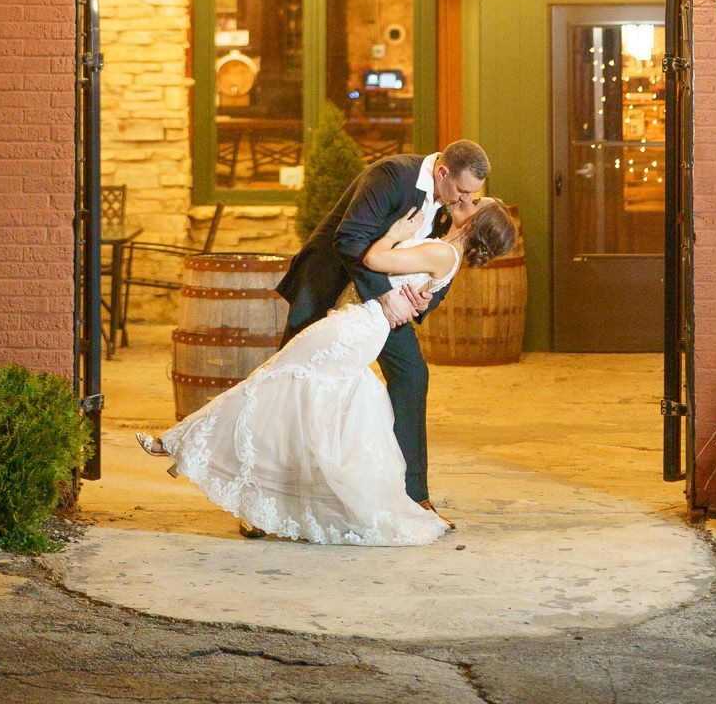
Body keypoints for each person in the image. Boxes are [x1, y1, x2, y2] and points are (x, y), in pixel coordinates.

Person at [137, 193, 517, 545]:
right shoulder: (444, 253)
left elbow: (373, 261)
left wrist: (394, 233)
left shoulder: (440, 252)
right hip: (355, 324)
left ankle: (178, 442)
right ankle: (264, 493)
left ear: (475, 223)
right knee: (300, 403)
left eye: (475, 201)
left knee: (271, 383)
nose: (466, 198)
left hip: (354, 328)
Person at [278, 139, 493, 515]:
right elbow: (349, 239)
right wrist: (384, 297)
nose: (464, 202)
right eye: (462, 191)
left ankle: (411, 496)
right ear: (443, 172)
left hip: (379, 308)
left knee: (412, 374)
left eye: (473, 195)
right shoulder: (392, 175)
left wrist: (426, 299)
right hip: (328, 287)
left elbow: (444, 258)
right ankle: (267, 501)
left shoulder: (451, 203)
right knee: (293, 386)